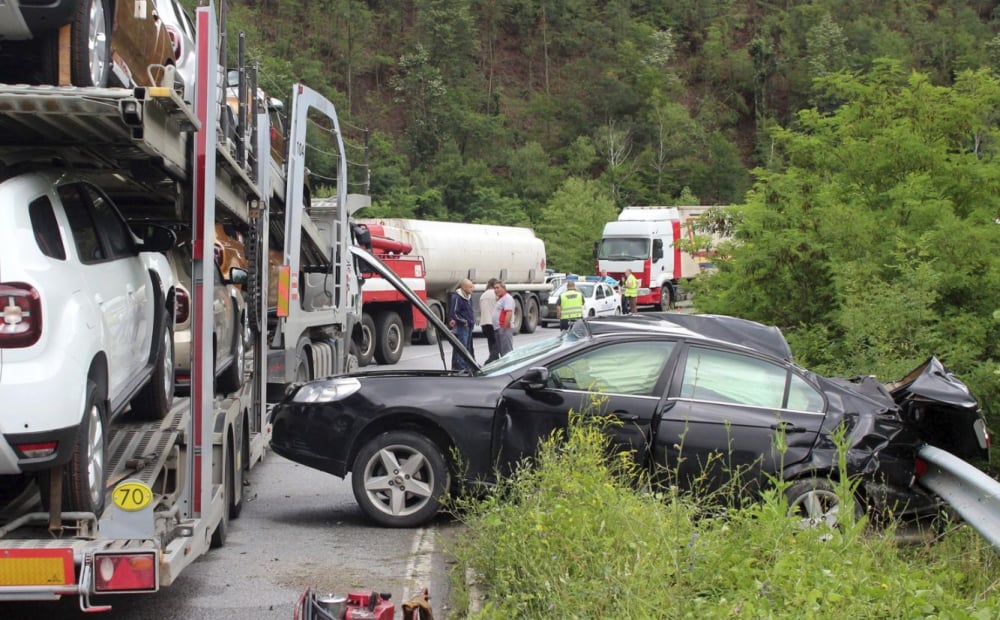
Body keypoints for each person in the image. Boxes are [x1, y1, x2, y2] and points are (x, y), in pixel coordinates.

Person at [448, 278, 475, 370]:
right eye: (470, 287)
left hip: (469, 326)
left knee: (467, 347)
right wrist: (463, 321)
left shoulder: (468, 297)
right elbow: (454, 312)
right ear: (464, 287)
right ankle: (461, 367)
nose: (473, 288)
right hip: (462, 327)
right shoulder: (457, 297)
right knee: (462, 348)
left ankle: (467, 366)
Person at [492, 281, 516, 357]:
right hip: (499, 328)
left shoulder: (507, 298)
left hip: (504, 328)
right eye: (494, 288)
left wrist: (504, 327)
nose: (496, 290)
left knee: (507, 352)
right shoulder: (501, 299)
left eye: (497, 288)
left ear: (504, 288)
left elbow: (508, 313)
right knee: (502, 352)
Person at [479, 277, 500, 363]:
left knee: (491, 343)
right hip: (494, 323)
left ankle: (494, 361)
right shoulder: (495, 294)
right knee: (498, 343)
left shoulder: (483, 295)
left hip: (484, 323)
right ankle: (491, 360)